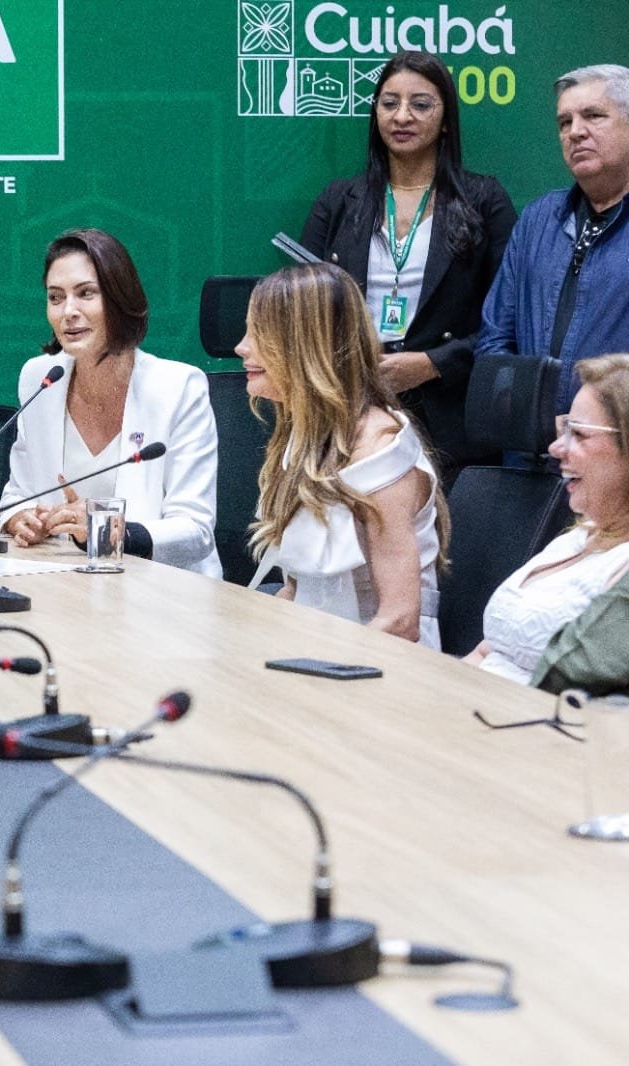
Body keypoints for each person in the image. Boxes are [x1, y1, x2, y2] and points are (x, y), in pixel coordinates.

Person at [300, 50, 515, 484]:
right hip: (349, 411)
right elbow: (302, 311)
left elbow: (511, 319)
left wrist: (433, 362)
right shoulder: (339, 202)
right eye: (389, 103)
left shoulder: (483, 200)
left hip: (452, 419)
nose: (402, 116)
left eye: (420, 104)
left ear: (446, 119)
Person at [238, 262, 448, 645]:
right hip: (314, 646)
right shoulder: (302, 438)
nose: (242, 347)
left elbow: (399, 621)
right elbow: (297, 591)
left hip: (381, 662)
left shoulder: (381, 451)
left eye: (259, 333)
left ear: (305, 346)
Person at [0, 229, 221, 576]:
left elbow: (196, 531)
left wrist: (110, 529)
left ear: (119, 299)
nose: (68, 311)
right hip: (67, 585)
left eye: (86, 293)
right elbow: (18, 494)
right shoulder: (40, 378)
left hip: (165, 590)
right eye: (55, 297)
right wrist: (20, 519)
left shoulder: (177, 388)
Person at [477, 64, 629, 415]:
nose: (575, 132)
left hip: (617, 438)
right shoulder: (538, 218)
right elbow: (496, 339)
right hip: (534, 441)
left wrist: (589, 422)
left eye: (593, 116)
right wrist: (530, 419)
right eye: (564, 122)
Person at [468, 355, 629, 684]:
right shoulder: (575, 538)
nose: (556, 448)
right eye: (564, 429)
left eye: (579, 434)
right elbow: (488, 651)